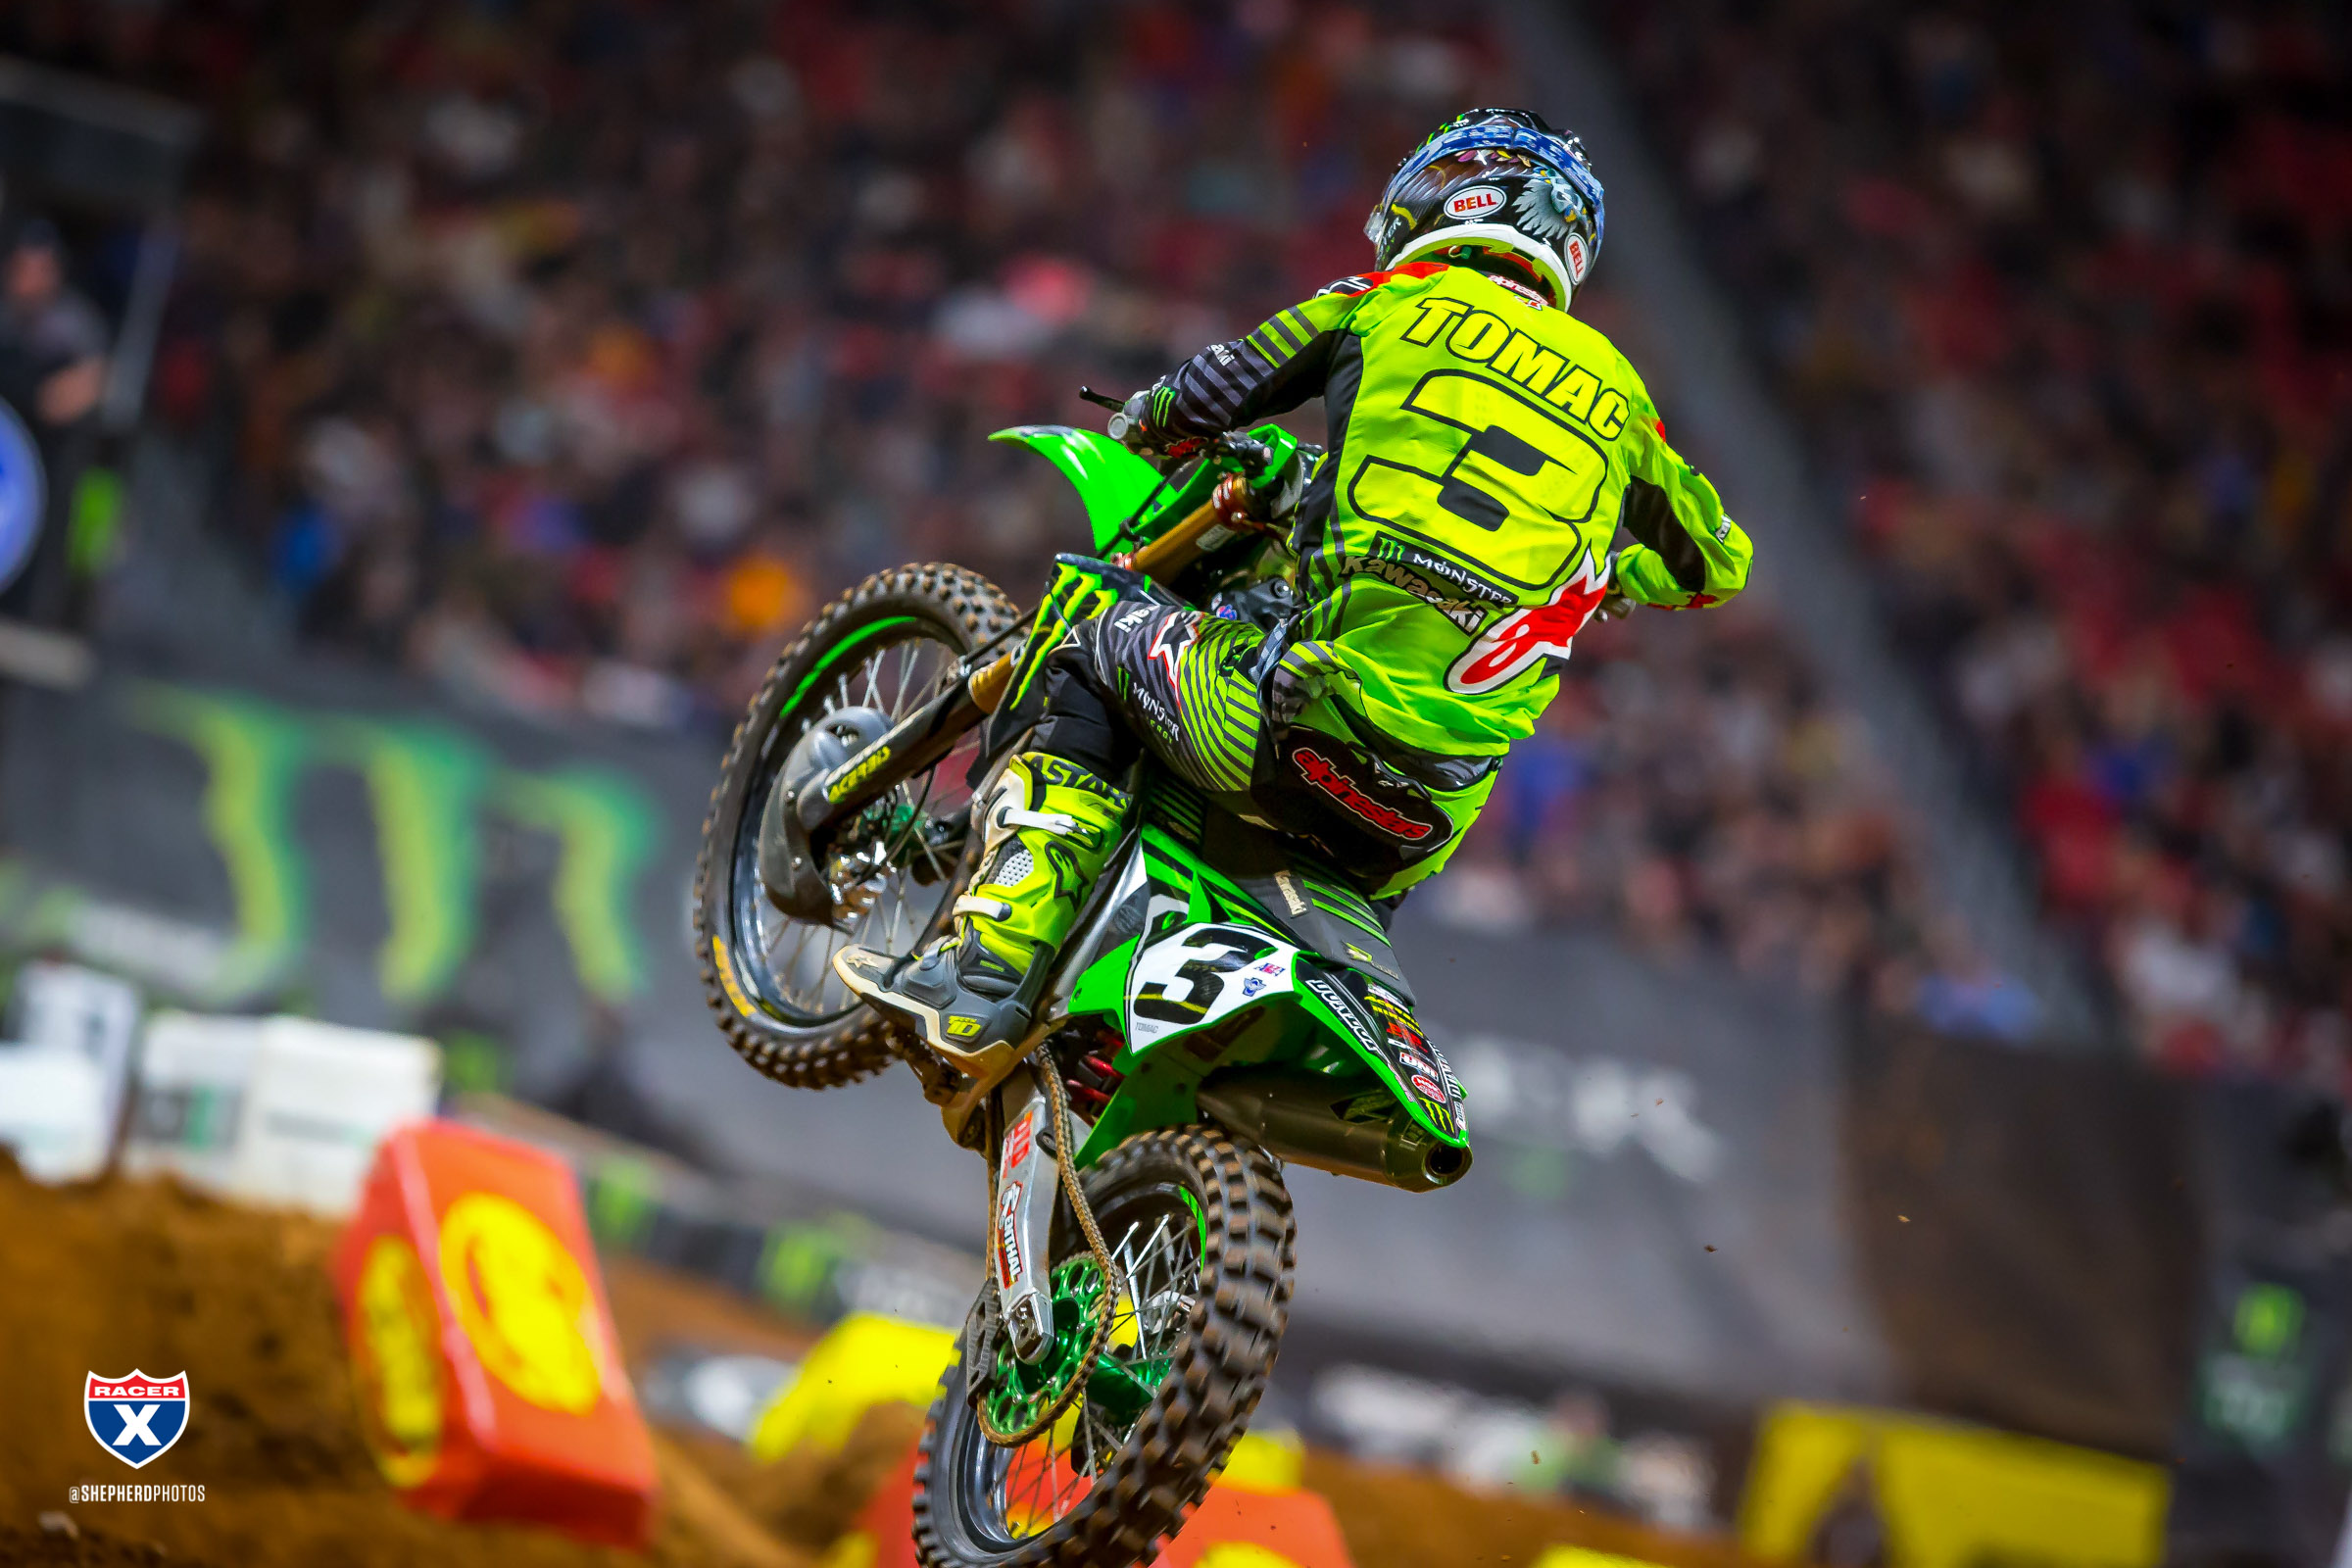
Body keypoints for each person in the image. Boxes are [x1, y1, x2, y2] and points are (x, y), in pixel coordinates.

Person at [838, 108, 1753, 1059]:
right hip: (1425, 817)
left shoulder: (1386, 300)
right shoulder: (1622, 395)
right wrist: (1608, 576)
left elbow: (1206, 393)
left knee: (1085, 628)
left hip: (1297, 723)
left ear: (1456, 196)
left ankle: (988, 964)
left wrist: (1151, 417)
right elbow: (1720, 565)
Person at [0, 218, 109, 622]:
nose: (27, 279)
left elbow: (80, 390)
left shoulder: (73, 325)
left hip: (47, 470)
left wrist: (46, 396)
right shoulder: (5, 318)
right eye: (21, 267)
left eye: (38, 268)